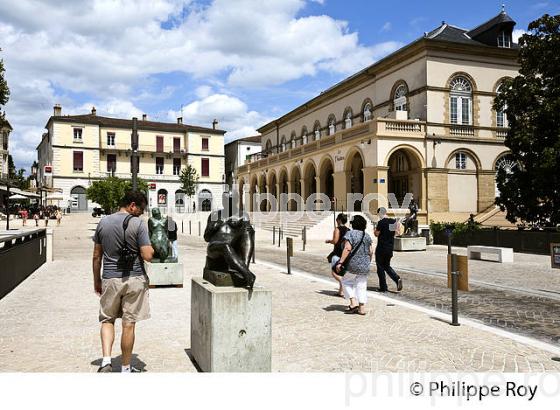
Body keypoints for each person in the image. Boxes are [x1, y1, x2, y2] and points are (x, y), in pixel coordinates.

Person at [92, 191, 154, 373]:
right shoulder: (138, 224)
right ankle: (126, 368)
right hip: (134, 279)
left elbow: (96, 256)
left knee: (107, 319)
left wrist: (97, 281)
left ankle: (105, 361)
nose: (141, 213)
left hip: (110, 278)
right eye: (141, 209)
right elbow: (148, 256)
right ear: (132, 205)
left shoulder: (103, 222)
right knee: (129, 324)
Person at [335, 215, 373, 315]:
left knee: (346, 281)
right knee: (361, 285)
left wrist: (340, 262)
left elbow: (347, 248)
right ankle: (362, 308)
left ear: (353, 224)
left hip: (352, 264)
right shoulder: (367, 235)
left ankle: (353, 302)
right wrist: (368, 262)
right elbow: (370, 251)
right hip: (364, 265)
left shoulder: (350, 234)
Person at [374, 207, 403, 292]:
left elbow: (376, 234)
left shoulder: (381, 222)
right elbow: (397, 233)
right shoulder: (393, 221)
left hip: (381, 248)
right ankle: (397, 278)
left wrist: (374, 229)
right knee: (386, 266)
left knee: (380, 267)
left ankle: (383, 287)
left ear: (379, 214)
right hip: (390, 247)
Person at [325, 213, 349, 297]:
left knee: (334, 272)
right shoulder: (348, 229)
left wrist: (329, 241)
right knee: (342, 272)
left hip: (338, 252)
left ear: (339, 220)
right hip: (345, 253)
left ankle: (344, 284)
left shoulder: (337, 229)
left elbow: (335, 241)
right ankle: (340, 291)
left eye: (336, 219)